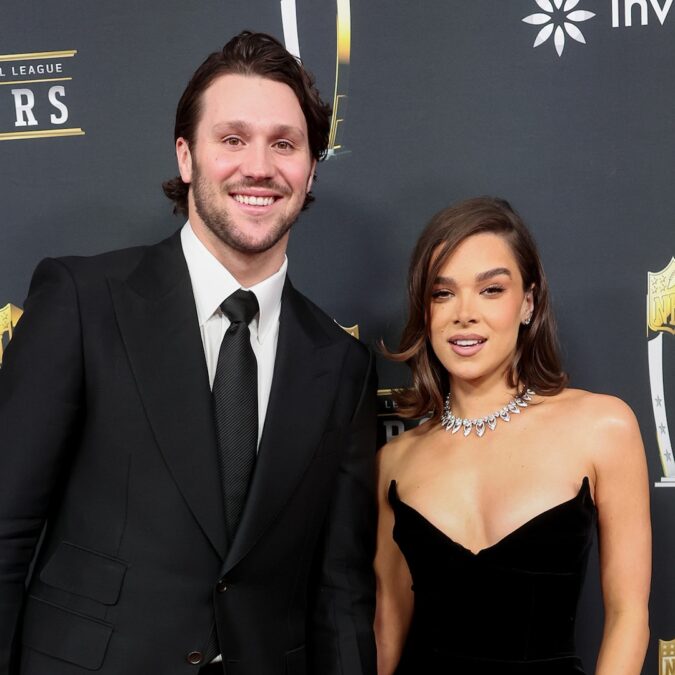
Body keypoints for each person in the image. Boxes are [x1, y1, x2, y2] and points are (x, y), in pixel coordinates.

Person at [0, 32, 377, 675]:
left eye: (284, 144)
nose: (258, 167)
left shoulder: (342, 365)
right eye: (232, 139)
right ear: (186, 156)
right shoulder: (84, 301)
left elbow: (339, 594)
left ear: (311, 168)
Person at [374, 197, 650, 675]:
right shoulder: (395, 460)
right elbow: (386, 627)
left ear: (528, 302)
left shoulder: (603, 427)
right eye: (442, 293)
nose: (464, 313)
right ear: (425, 310)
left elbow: (629, 617)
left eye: (491, 290)